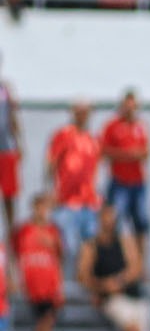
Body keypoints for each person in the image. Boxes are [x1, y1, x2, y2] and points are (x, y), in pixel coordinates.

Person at [77, 203, 150, 331]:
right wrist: (104, 286)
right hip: (111, 300)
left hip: (134, 296)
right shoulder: (91, 246)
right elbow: (83, 276)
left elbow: (136, 267)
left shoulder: (124, 241)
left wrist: (119, 281)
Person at [46, 101, 102, 271]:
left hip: (89, 203)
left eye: (85, 112)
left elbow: (95, 168)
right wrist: (52, 192)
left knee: (89, 249)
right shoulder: (63, 135)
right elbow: (51, 164)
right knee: (67, 247)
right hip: (67, 202)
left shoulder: (92, 138)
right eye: (78, 112)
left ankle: (86, 288)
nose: (82, 116)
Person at [15, 195, 65, 331]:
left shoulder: (53, 232)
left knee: (46, 325)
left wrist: (59, 287)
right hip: (33, 286)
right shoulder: (24, 231)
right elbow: (15, 255)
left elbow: (60, 259)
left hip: (49, 287)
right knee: (43, 326)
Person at [99, 89, 150, 247]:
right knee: (115, 221)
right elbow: (104, 151)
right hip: (119, 181)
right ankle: (117, 260)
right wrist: (127, 154)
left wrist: (135, 155)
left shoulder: (141, 126)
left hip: (138, 182)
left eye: (133, 107)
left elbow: (146, 152)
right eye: (127, 106)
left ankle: (140, 263)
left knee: (141, 222)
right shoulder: (112, 126)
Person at [0, 57, 24, 235]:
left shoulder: (5, 88)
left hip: (6, 148)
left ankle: (11, 234)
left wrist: (19, 143)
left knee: (9, 195)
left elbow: (13, 117)